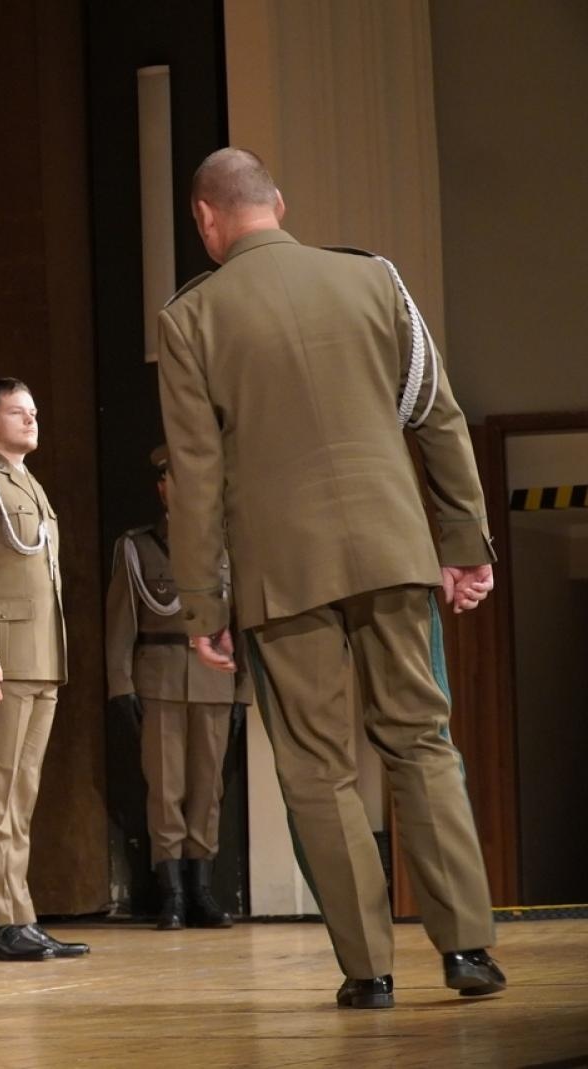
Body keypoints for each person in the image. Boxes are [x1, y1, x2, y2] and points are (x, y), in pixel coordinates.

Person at [157, 147, 504, 1010]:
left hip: (283, 575)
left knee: (319, 770)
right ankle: (468, 951)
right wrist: (463, 541)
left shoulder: (191, 318)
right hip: (394, 550)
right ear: (278, 202)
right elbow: (438, 414)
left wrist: (204, 601)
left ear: (206, 221)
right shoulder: (375, 281)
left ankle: (370, 970)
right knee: (422, 742)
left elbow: (195, 477)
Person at [0, 380, 88, 961]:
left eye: (33, 411)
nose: (31, 420)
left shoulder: (28, 482)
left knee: (20, 794)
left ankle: (19, 912)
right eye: (17, 411)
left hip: (40, 658)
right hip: (4, 659)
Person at [105, 445, 250, 930]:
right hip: (160, 678)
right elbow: (121, 622)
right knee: (165, 788)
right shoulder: (138, 546)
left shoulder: (226, 548)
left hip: (216, 679)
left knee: (207, 789)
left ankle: (201, 891)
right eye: (171, 480)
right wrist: (120, 685)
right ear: (161, 489)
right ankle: (172, 894)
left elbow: (241, 623)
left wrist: (244, 690)